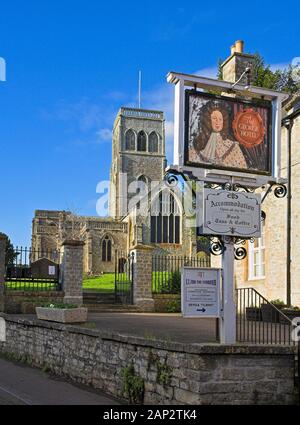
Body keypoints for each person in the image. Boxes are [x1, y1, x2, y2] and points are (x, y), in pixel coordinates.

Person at [192, 100, 247, 169]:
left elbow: (243, 169)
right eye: (214, 118)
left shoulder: (233, 146)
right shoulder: (198, 145)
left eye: (220, 119)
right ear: (208, 119)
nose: (218, 122)